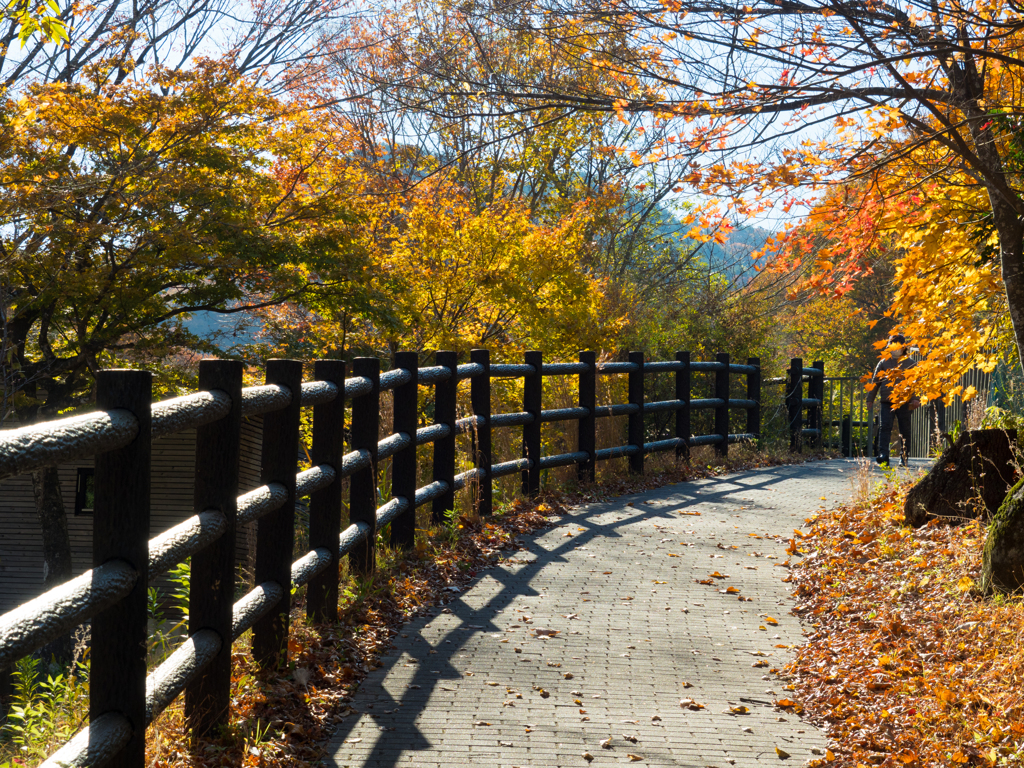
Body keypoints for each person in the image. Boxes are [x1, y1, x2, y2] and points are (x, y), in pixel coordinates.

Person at [867, 334, 916, 467]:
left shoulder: (910, 364)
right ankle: (883, 455)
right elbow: (875, 382)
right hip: (886, 401)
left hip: (903, 402)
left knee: (904, 429)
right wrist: (870, 399)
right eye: (892, 346)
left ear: (903, 347)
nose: (895, 349)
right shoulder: (883, 362)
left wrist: (915, 399)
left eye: (898, 347)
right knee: (884, 428)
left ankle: (904, 457)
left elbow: (914, 384)